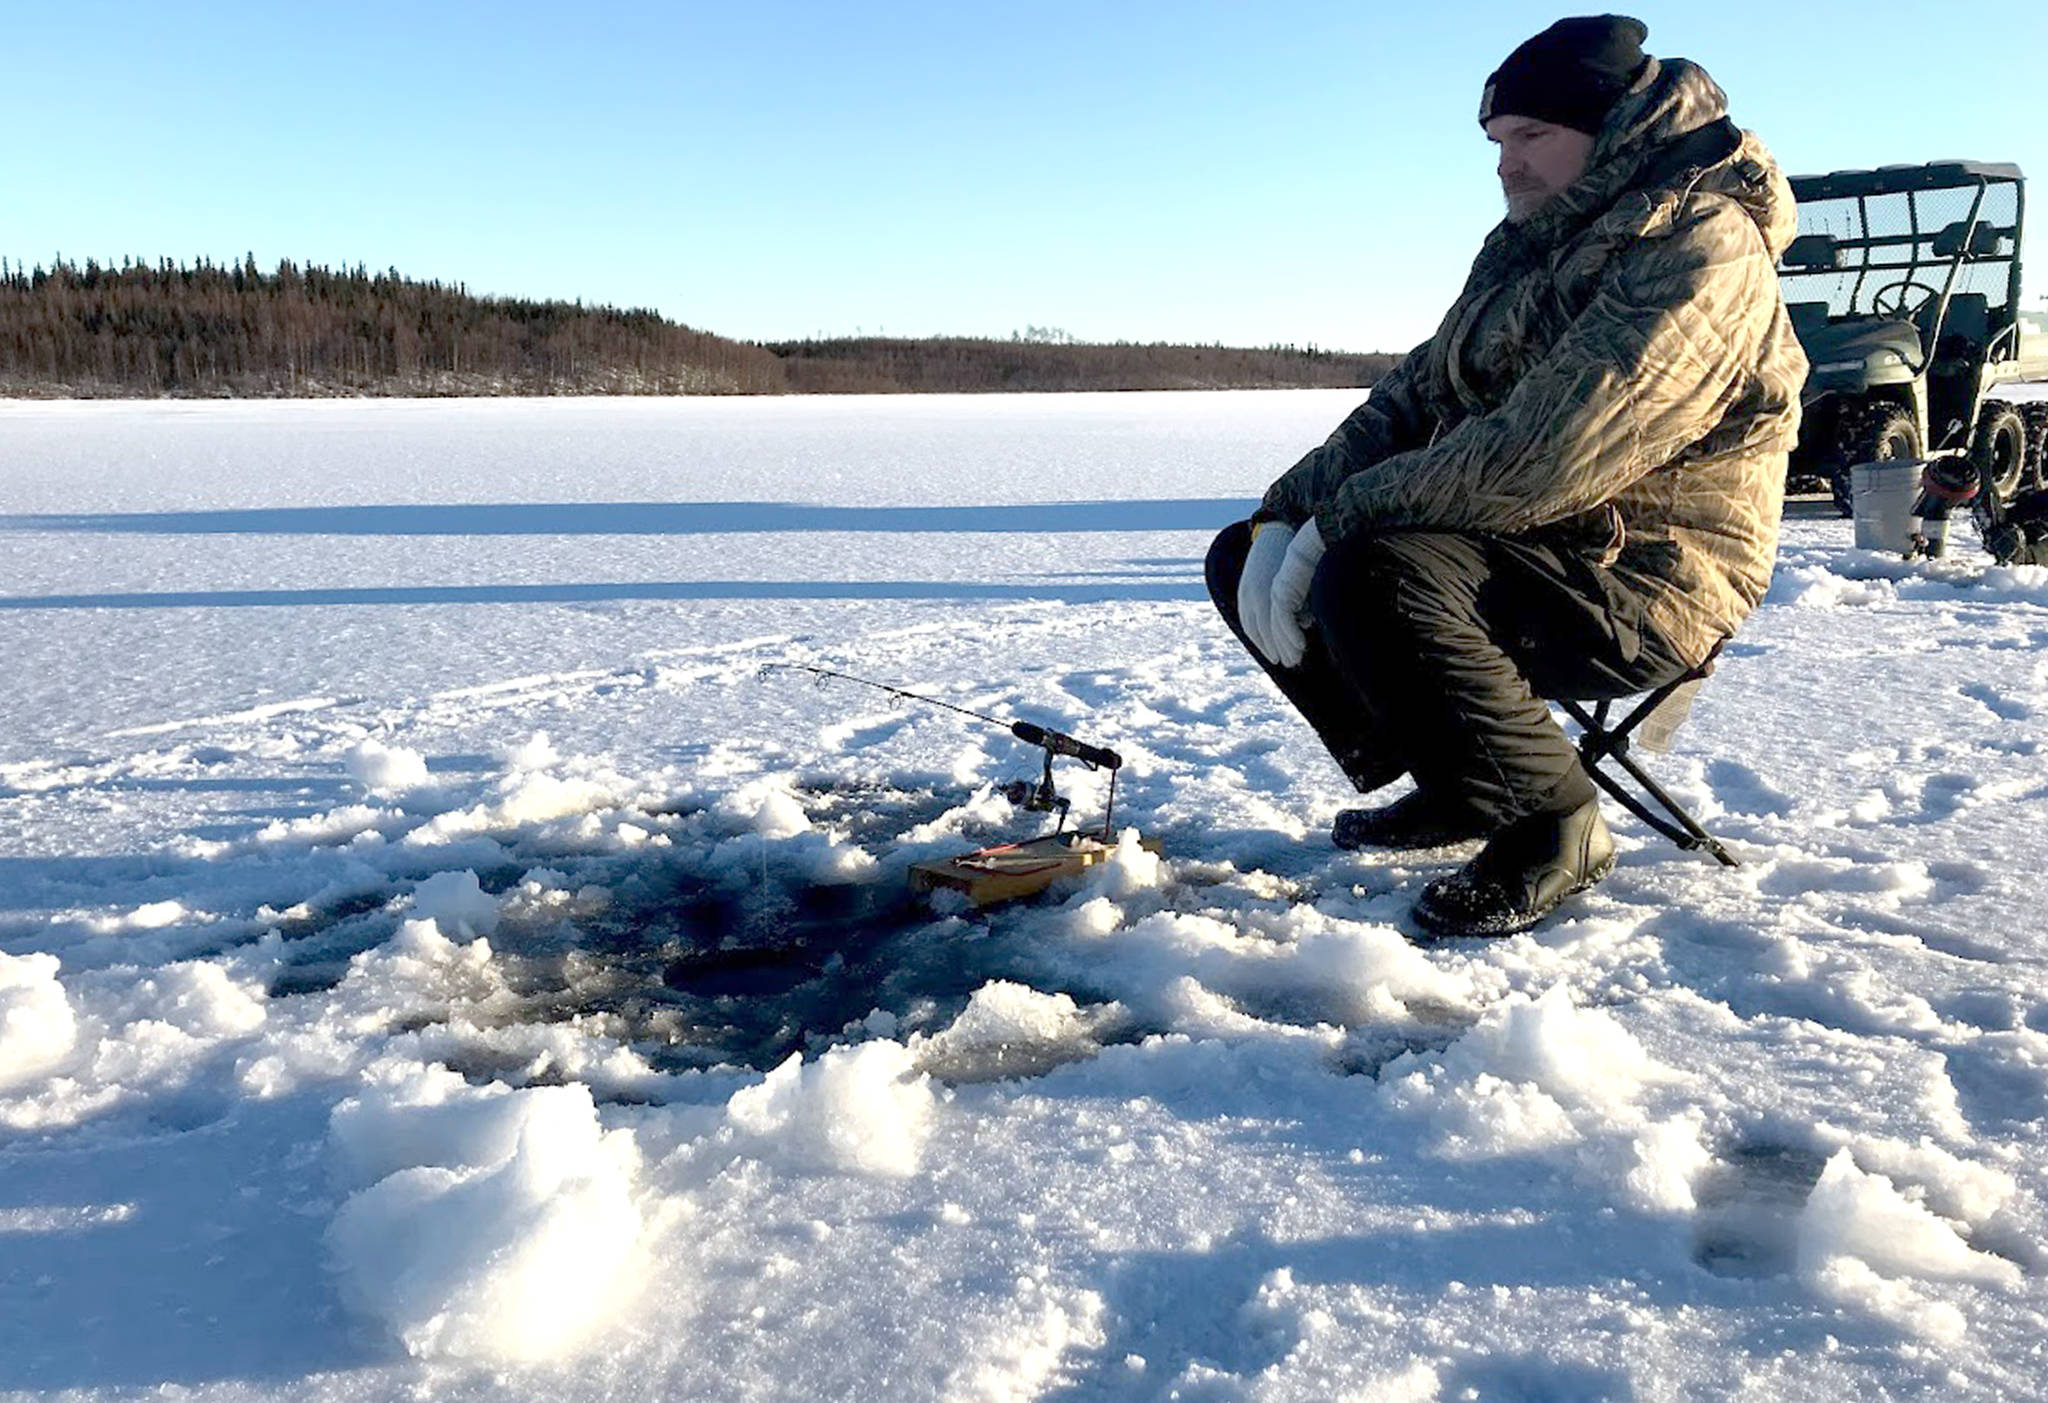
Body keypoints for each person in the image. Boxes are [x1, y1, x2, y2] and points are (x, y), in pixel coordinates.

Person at [1206, 15, 1808, 937]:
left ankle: (1554, 824)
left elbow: (1550, 451)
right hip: (1534, 545)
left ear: (1611, 129)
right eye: (1497, 141)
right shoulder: (1532, 241)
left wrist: (1338, 523)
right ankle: (1464, 785)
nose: (1506, 164)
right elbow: (1412, 394)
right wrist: (1289, 510)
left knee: (1372, 569)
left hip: (1648, 577)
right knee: (1248, 551)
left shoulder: (1702, 245)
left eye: (1532, 136)